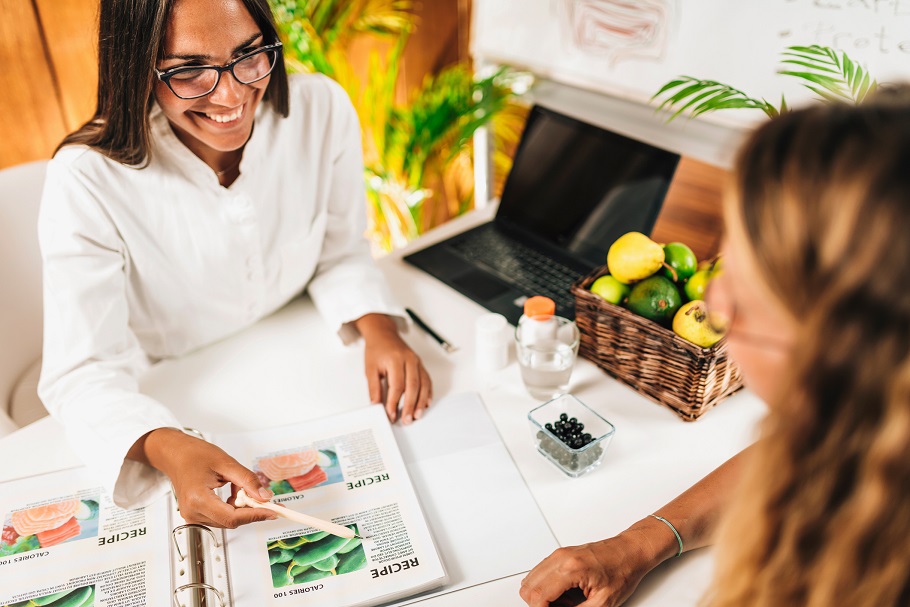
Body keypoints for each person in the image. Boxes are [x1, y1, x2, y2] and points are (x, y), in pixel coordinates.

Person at [37, 0, 432, 529]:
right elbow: (81, 373)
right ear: (137, 65)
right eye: (188, 70)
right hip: (177, 384)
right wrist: (168, 447)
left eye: (250, 55)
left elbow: (339, 251)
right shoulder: (87, 181)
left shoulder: (321, 110)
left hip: (303, 365)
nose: (232, 94)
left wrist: (379, 326)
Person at [520, 88, 910, 606]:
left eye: (750, 275)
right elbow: (794, 449)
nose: (715, 296)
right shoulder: (867, 422)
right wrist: (634, 547)